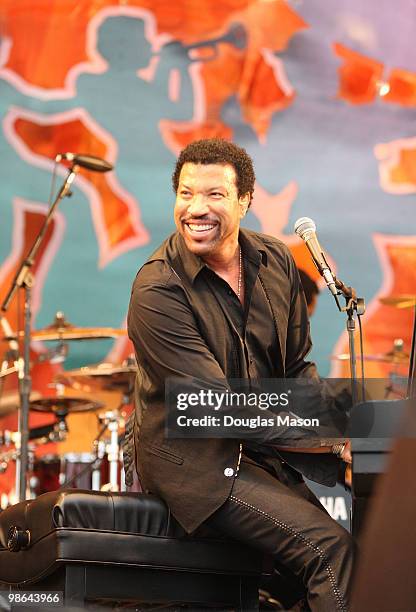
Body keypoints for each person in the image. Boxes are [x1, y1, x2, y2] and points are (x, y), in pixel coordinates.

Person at [127, 138, 354, 611]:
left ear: (245, 201)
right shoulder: (157, 288)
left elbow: (295, 370)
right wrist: (332, 440)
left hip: (263, 454)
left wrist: (349, 441)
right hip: (197, 465)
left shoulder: (276, 261)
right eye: (186, 194)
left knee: (368, 548)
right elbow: (216, 409)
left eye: (214, 195)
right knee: (329, 551)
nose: (196, 208)